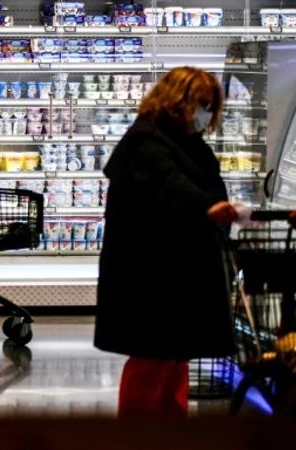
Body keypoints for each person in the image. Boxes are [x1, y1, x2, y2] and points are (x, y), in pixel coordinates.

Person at [94, 67, 242, 418]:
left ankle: (170, 432)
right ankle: (137, 436)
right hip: (151, 272)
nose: (205, 113)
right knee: (153, 356)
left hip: (175, 270)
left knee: (174, 355)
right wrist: (207, 207)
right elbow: (168, 184)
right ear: (178, 102)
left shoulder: (183, 142)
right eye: (200, 104)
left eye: (210, 105)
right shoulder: (147, 141)